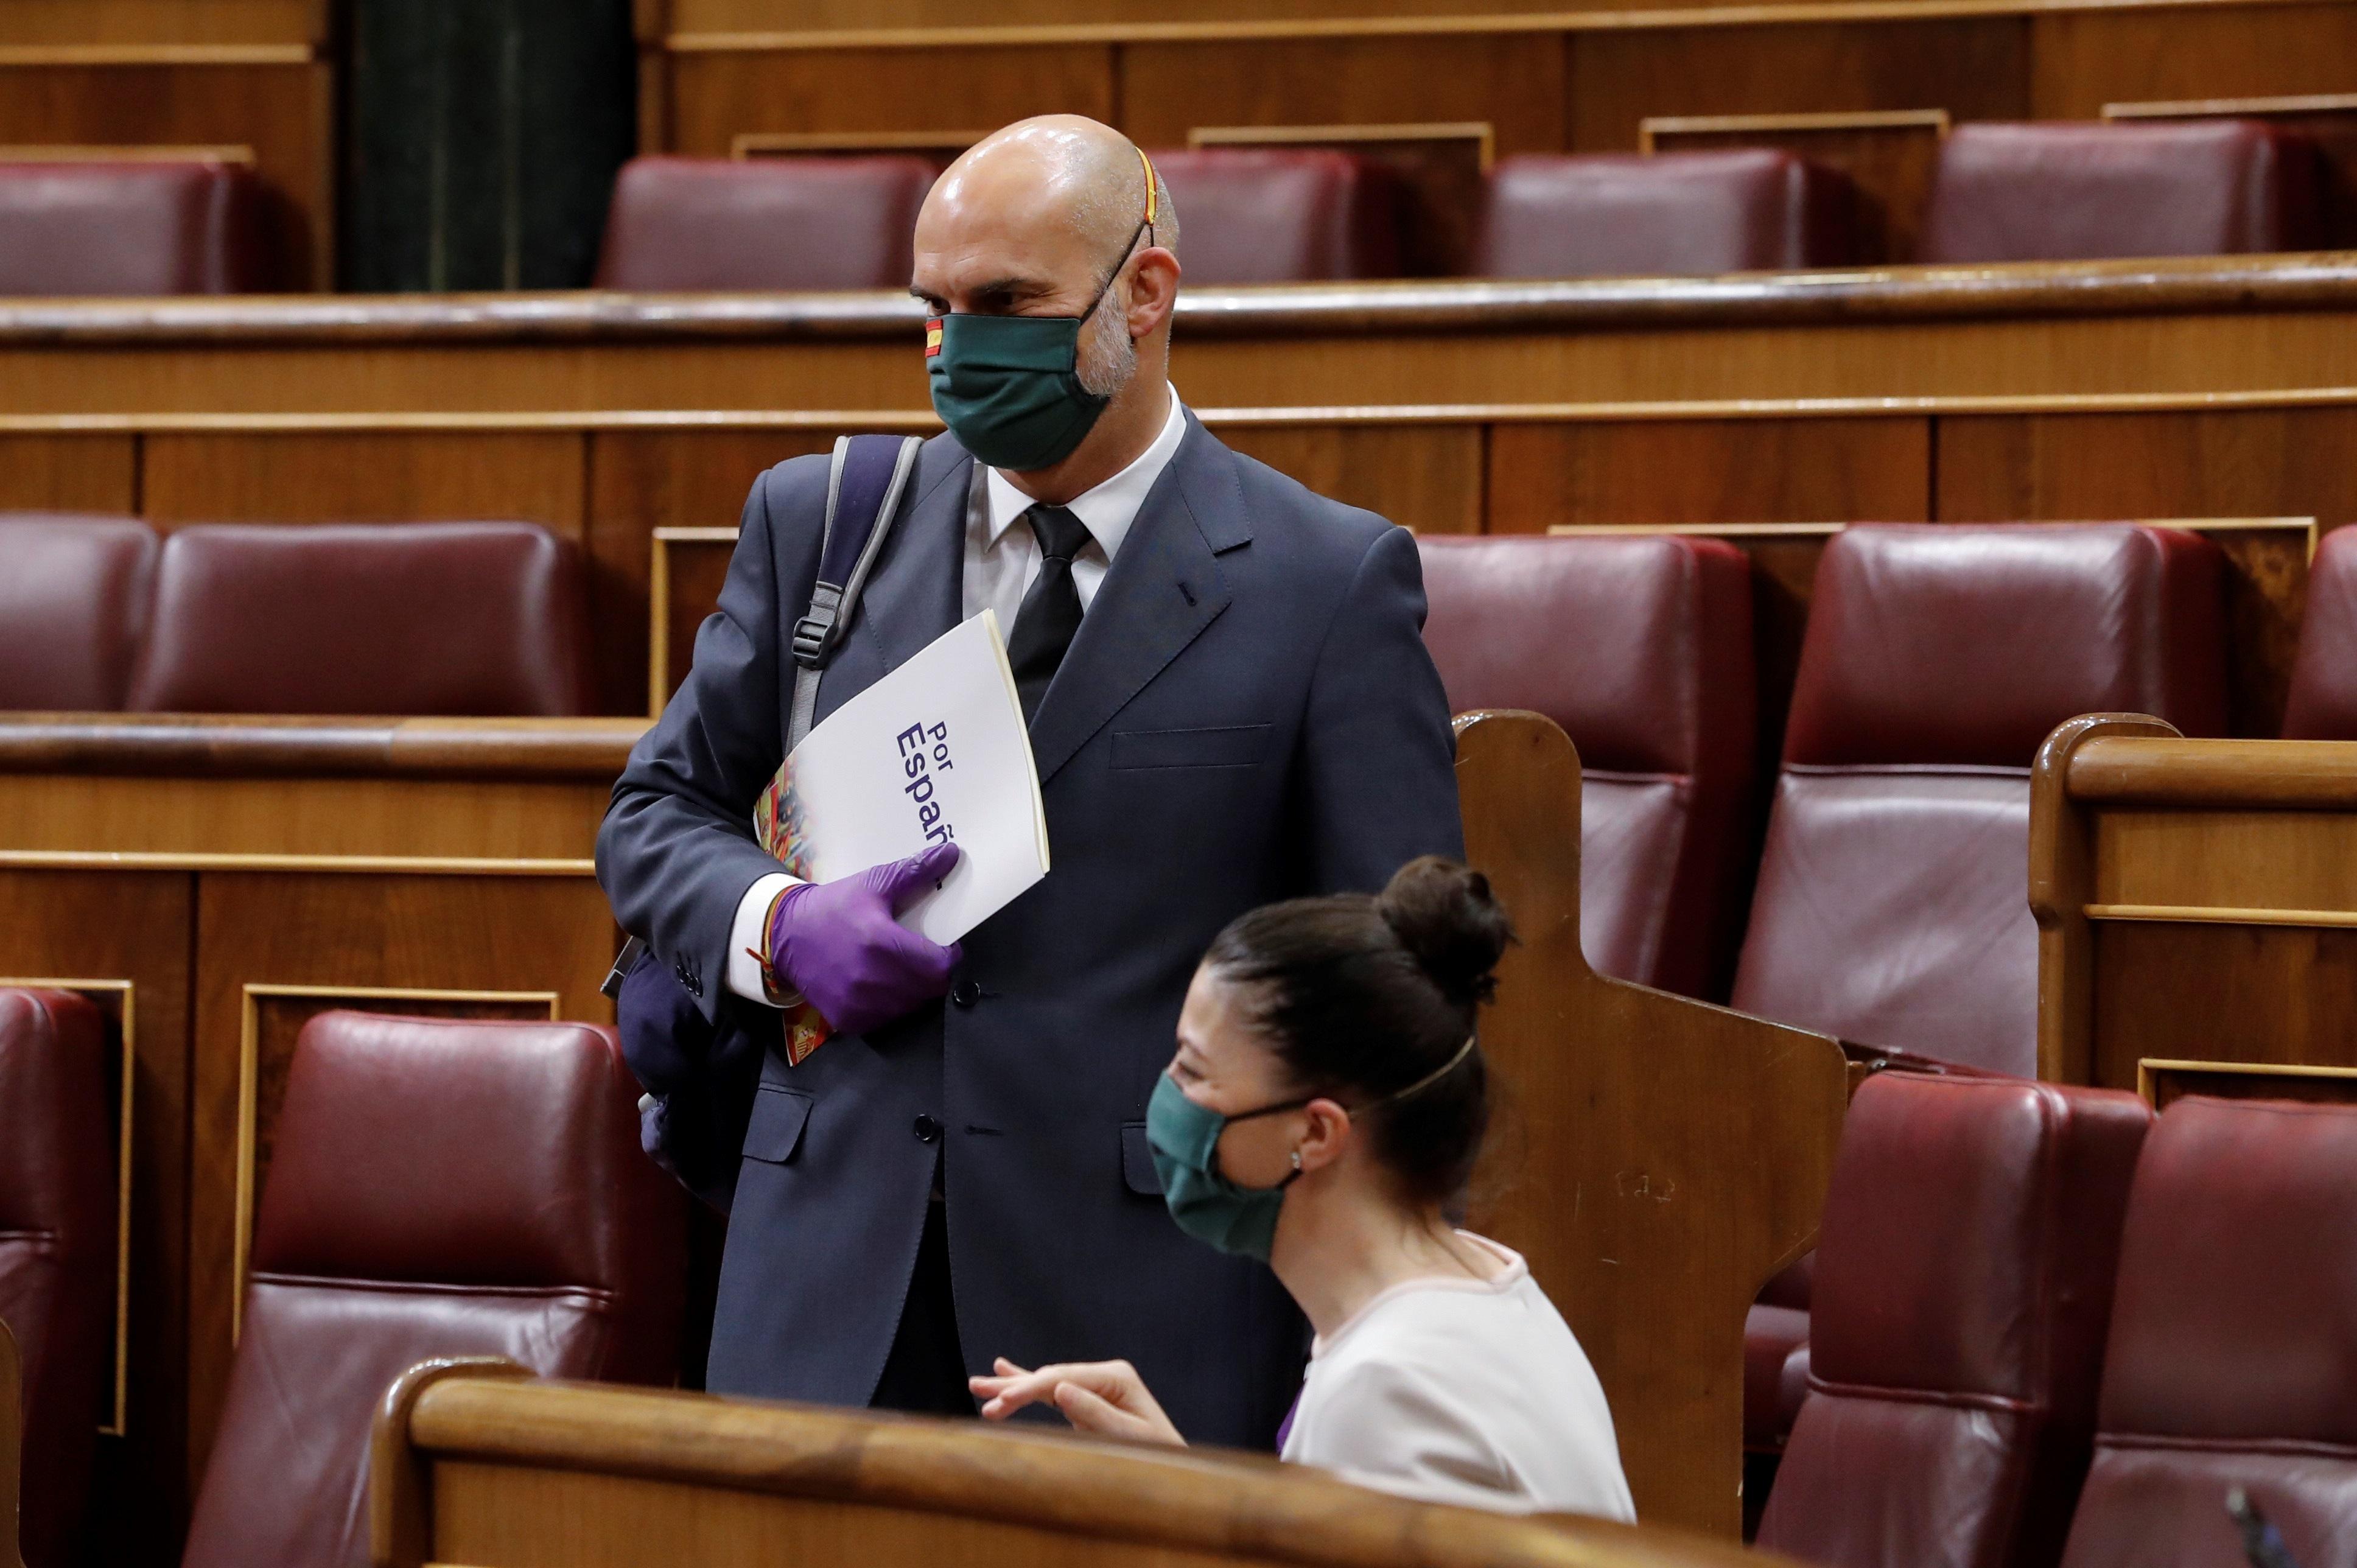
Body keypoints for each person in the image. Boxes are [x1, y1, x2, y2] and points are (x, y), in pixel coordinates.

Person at [595, 112, 1463, 1450]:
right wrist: (779, 929)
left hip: (1143, 1305)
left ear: (1146, 294)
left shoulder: (1324, 581)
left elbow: (1394, 994)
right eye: (930, 309)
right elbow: (655, 816)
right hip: (825, 1289)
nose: (957, 349)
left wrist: (1354, 1345)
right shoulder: (823, 520)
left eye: (1006, 303)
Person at [969, 857, 1636, 1521]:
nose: (1167, 1093)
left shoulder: (1389, 1386)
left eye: (1192, 1070)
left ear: (1315, 1132)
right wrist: (1183, 1481)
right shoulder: (1479, 1281)